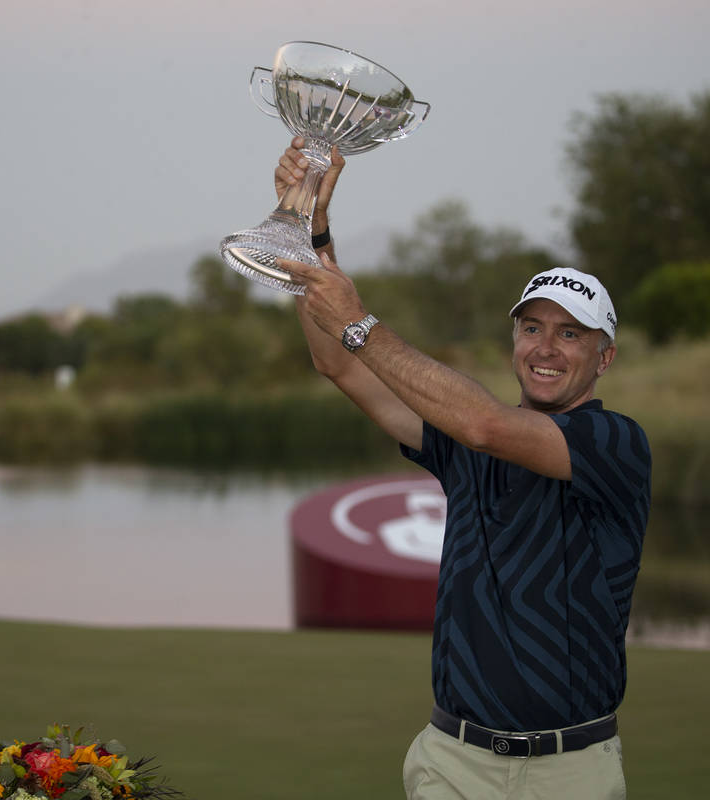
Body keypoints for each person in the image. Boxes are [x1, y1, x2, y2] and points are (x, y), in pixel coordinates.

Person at [272, 137, 651, 800]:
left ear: (605, 356)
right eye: (532, 328)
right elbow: (339, 363)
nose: (546, 348)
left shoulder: (614, 442)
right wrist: (310, 232)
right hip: (452, 760)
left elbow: (489, 426)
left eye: (571, 334)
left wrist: (359, 320)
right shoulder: (464, 439)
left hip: (571, 769)